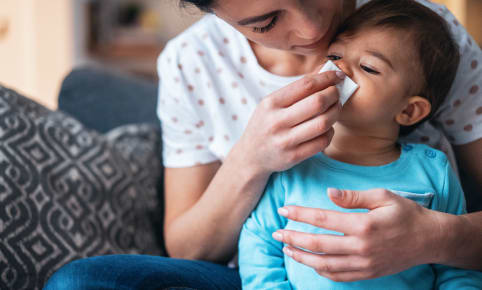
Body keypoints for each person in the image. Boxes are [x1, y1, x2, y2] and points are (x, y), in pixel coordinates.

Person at [45, 0, 481, 289]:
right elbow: (195, 249)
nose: (315, 29)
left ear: (411, 110)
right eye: (266, 21)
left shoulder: (422, 37)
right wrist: (251, 159)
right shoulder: (192, 64)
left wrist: (435, 237)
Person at [238, 1, 482, 289]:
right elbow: (259, 243)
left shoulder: (433, 172)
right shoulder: (293, 164)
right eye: (334, 55)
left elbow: (458, 270)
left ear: (409, 111)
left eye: (368, 67)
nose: (340, 70)